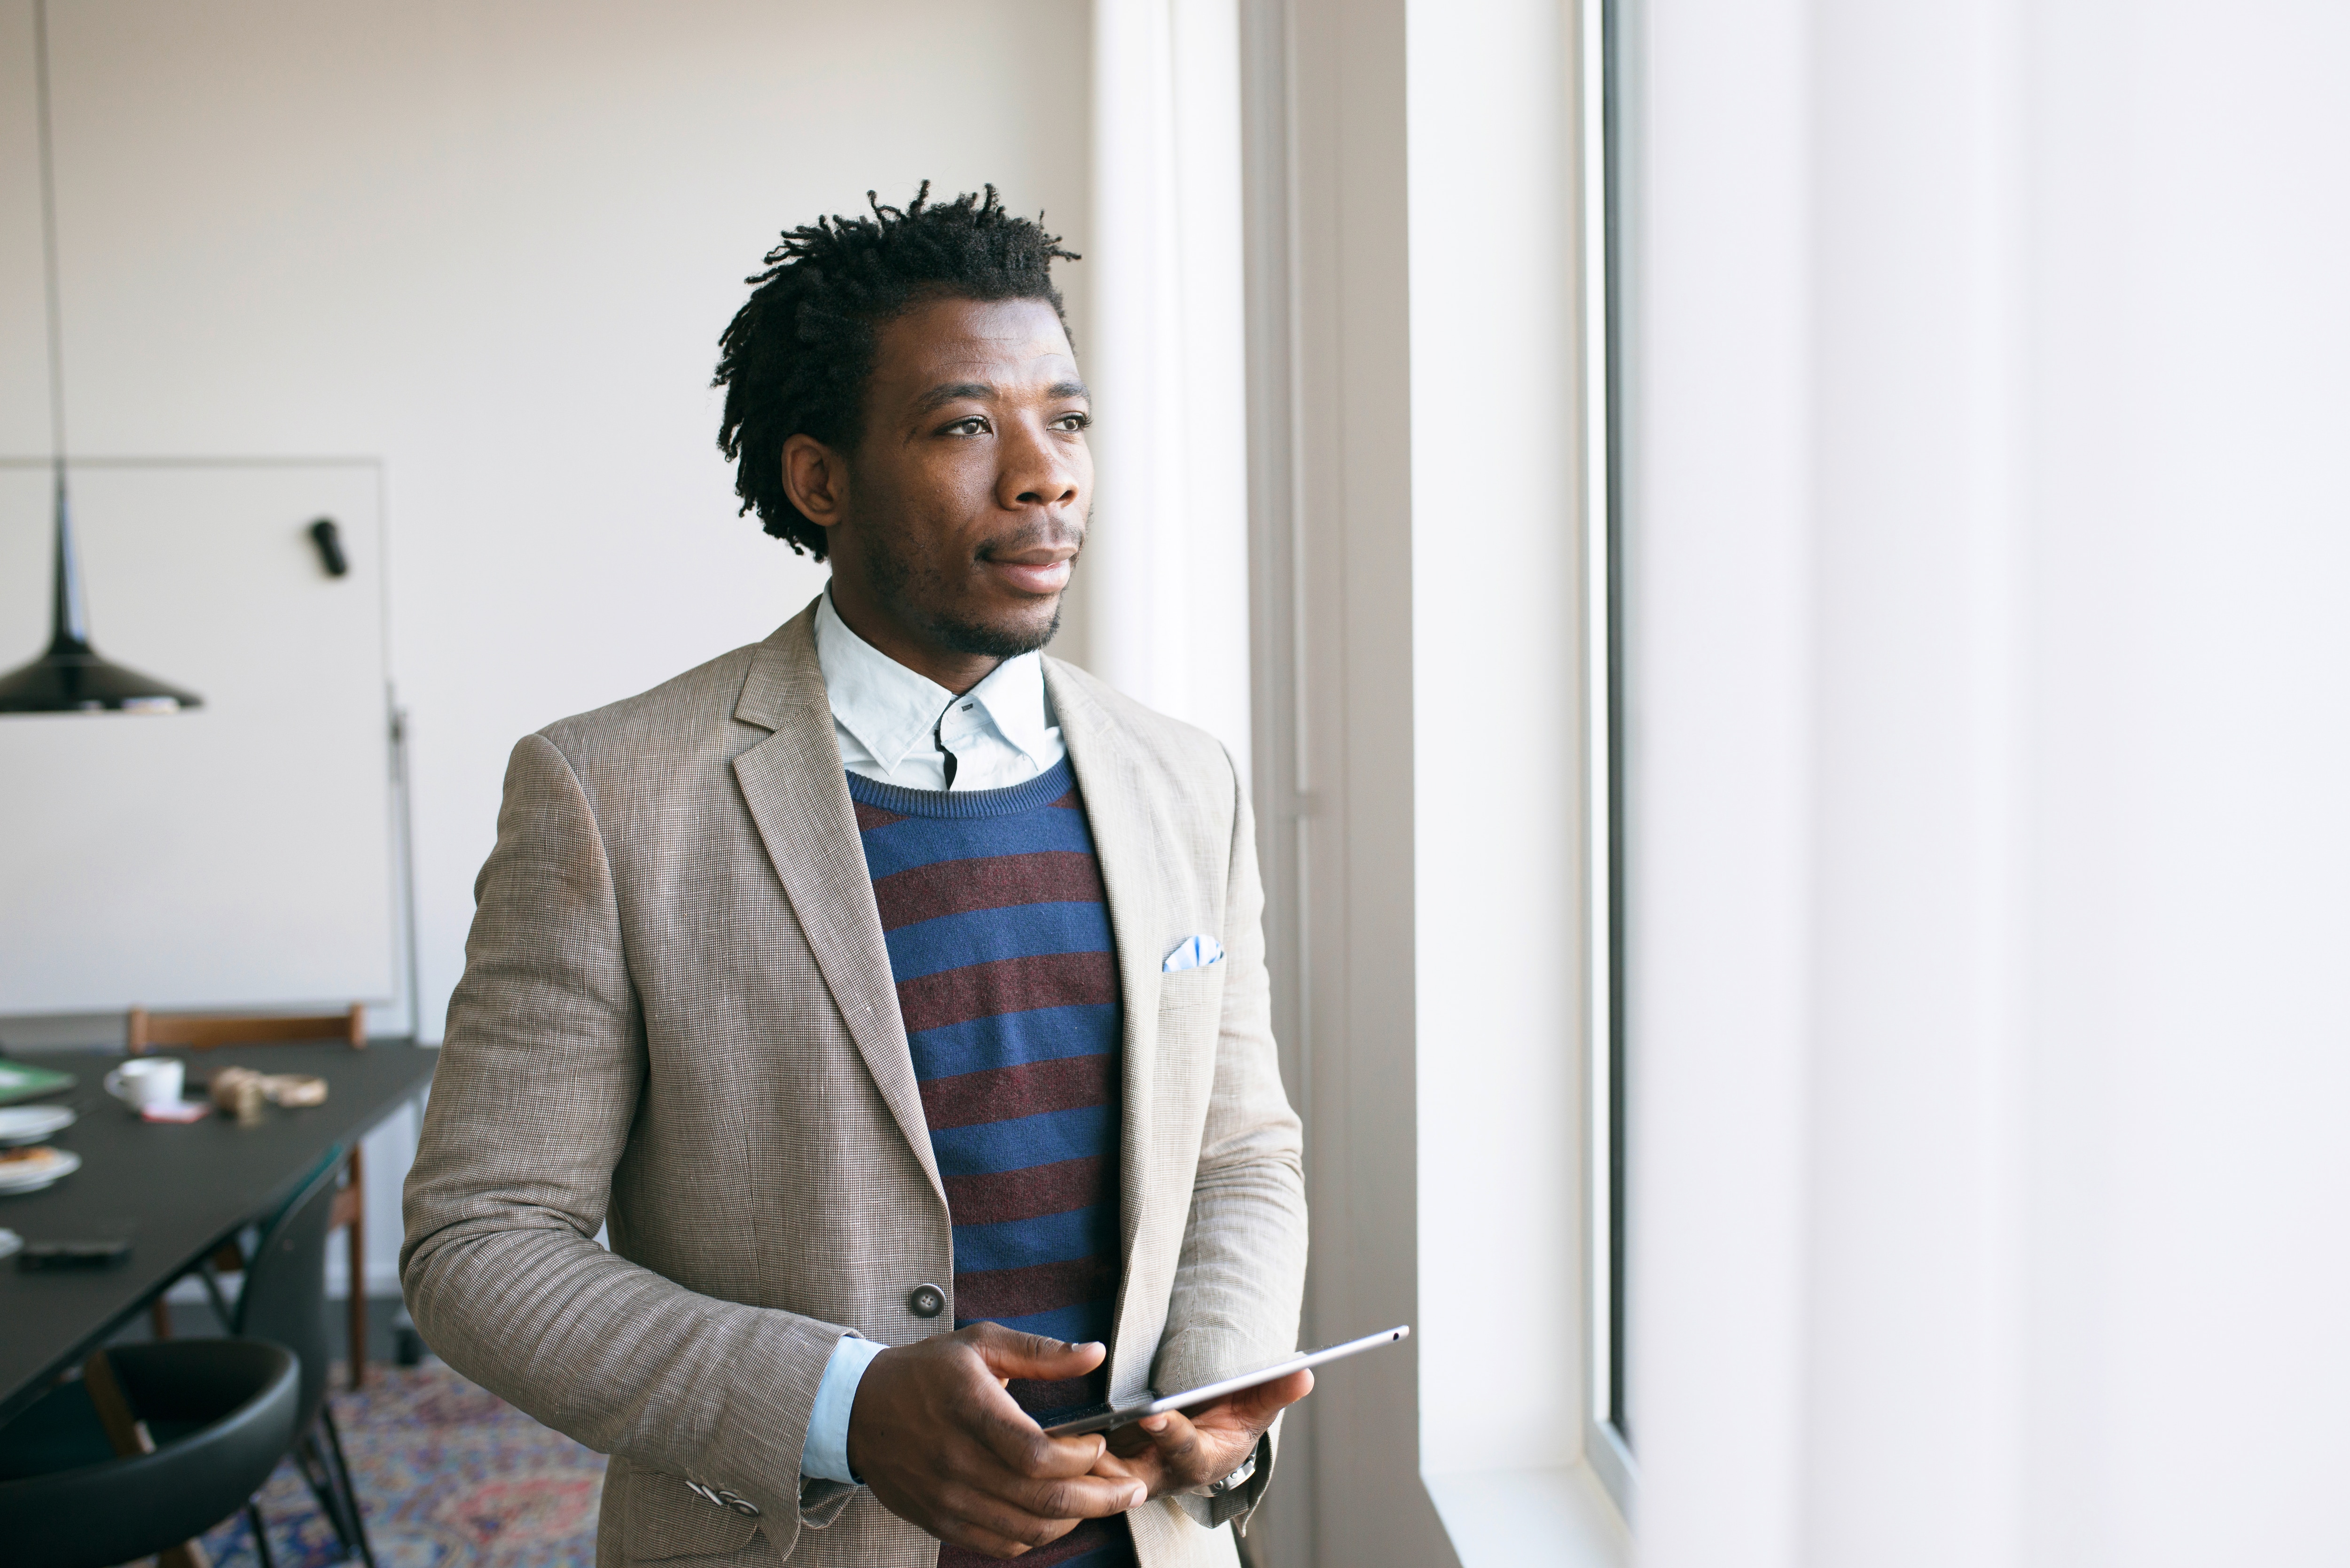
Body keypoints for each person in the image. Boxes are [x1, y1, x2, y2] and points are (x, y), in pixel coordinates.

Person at [401, 186, 1310, 1568]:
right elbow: (480, 1242)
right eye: (964, 426)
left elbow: (1242, 1154)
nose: (1043, 474)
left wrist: (1216, 1391)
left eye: (1065, 420)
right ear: (821, 479)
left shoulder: (1186, 779)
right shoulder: (609, 796)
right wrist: (842, 1406)